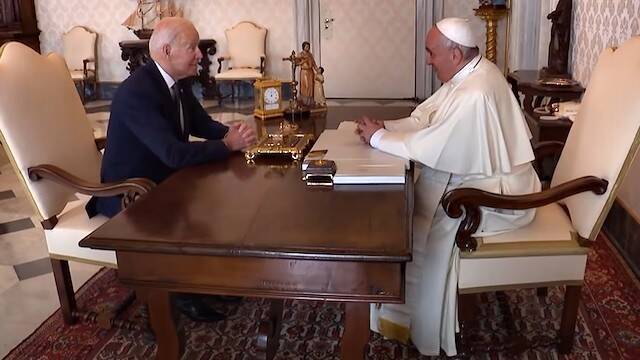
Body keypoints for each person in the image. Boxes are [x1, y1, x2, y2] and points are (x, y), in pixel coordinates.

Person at [355, 17, 541, 356]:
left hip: (497, 196)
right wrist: (387, 126)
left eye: (431, 52)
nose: (428, 59)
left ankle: (420, 323)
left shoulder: (476, 90)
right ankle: (398, 306)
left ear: (454, 53)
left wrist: (380, 138)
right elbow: (430, 119)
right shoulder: (470, 72)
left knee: (414, 214)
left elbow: (433, 144)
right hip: (480, 178)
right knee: (410, 206)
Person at [86, 17, 256, 322]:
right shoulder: (138, 92)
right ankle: (178, 295)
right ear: (166, 51)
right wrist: (226, 146)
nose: (200, 54)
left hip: (162, 179)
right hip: (129, 192)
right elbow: (173, 153)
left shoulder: (175, 83)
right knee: (192, 209)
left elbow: (202, 124)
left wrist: (234, 135)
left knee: (217, 198)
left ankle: (203, 279)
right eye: (192, 47)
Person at [296, 41, 319, 106]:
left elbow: (314, 63)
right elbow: (297, 63)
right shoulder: (300, 54)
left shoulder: (310, 54)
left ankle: (310, 101)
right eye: (306, 46)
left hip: (310, 72)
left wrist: (317, 70)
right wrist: (303, 61)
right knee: (306, 86)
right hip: (304, 72)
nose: (307, 48)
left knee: (311, 85)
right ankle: (304, 101)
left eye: (308, 46)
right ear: (303, 47)